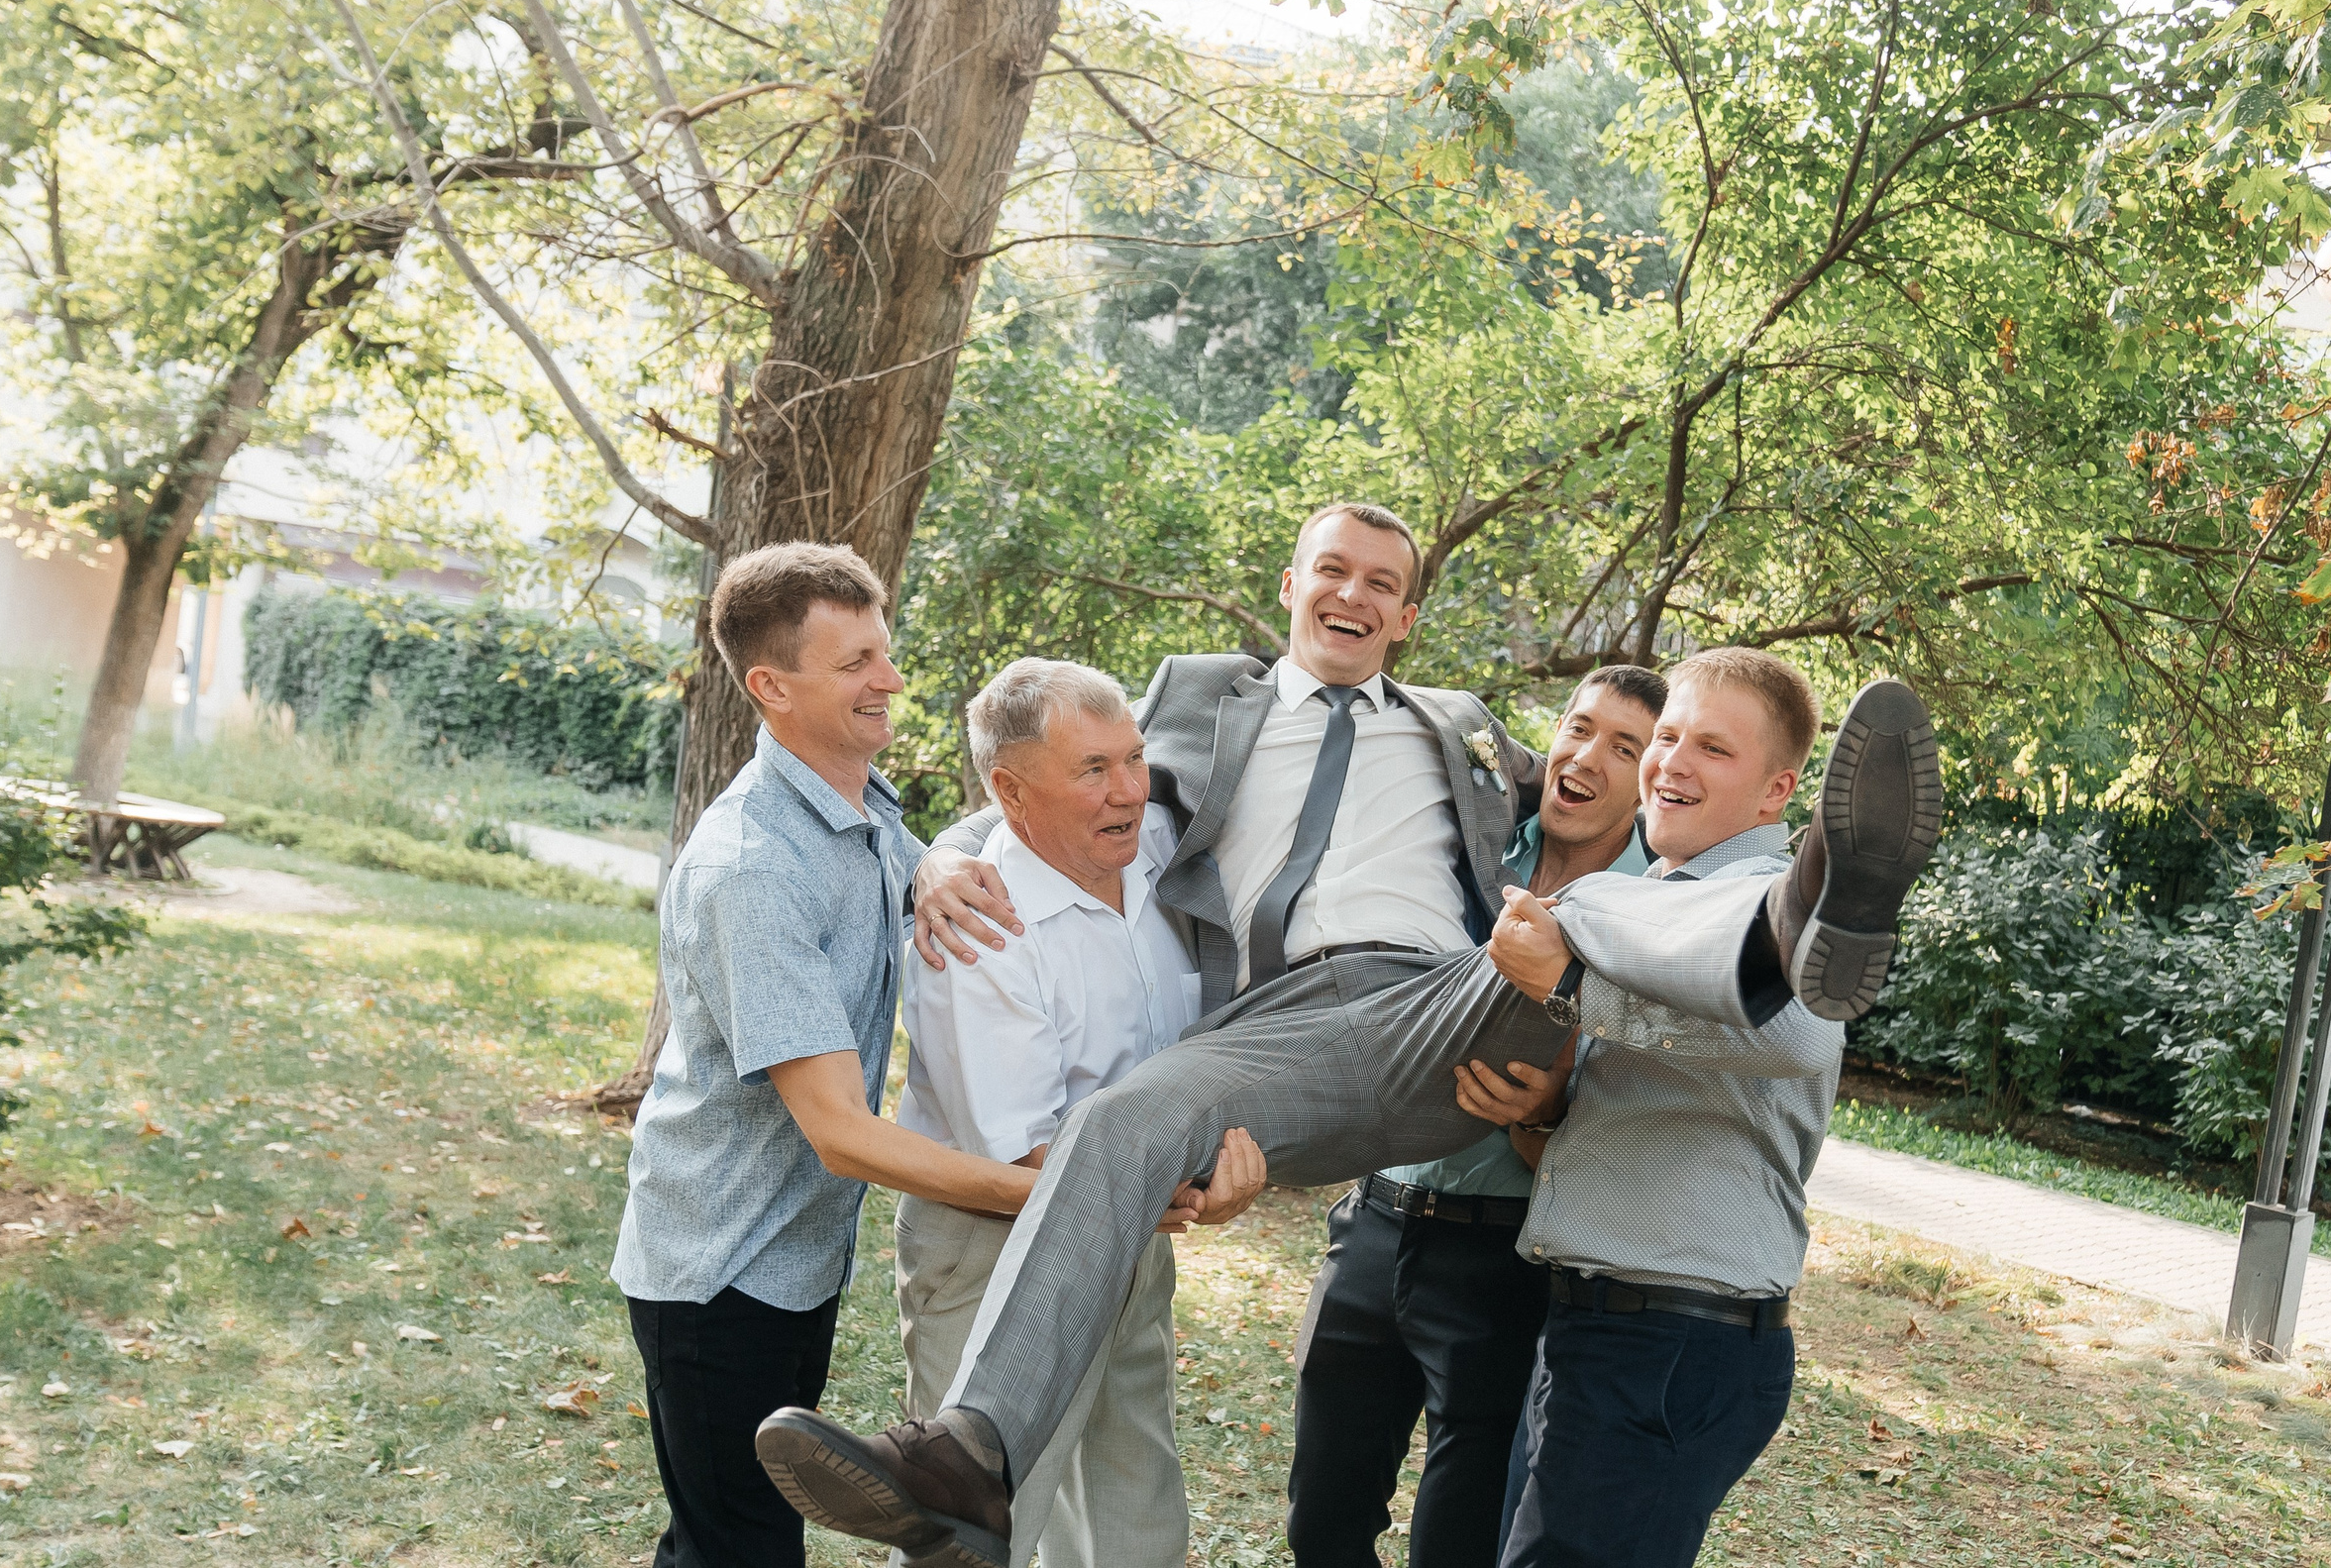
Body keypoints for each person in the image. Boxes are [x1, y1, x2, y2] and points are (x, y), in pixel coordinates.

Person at [751, 536, 1943, 1568]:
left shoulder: (1459, 729)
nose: (1355, 594)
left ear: (1407, 618)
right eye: (1334, 569)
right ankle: (968, 1458)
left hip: (1440, 1003)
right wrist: (937, 854)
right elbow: (1054, 779)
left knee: (1559, 911)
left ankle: (1788, 920)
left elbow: (1591, 819)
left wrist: (1569, 975)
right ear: (1293, 586)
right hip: (1278, 1034)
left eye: (1385, 582)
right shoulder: (1198, 698)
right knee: (1124, 1115)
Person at [608, 543, 1237, 1568]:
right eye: (855, 661)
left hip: (795, 1258)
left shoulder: (862, 812)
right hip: (716, 1266)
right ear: (771, 685)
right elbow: (841, 1134)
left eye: (884, 652)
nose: (890, 681)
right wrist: (1077, 1192)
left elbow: (989, 826)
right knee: (734, 1550)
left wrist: (940, 857)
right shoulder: (752, 868)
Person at [1475, 648, 1937, 1568]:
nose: (1673, 762)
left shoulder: (1712, 900)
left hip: (1669, 1338)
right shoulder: (1657, 903)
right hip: (1600, 1330)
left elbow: (1798, 1040)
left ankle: (1789, 911)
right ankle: (1776, 913)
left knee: (1614, 909)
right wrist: (1545, 1110)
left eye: (1713, 750)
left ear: (1777, 792)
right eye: (1670, 737)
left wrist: (1574, 981)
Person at [1286, 665, 1663, 1568]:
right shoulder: (1468, 840)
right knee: (1321, 1523)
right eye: (1580, 729)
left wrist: (1552, 1108)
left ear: (1654, 779)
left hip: (1509, 1257)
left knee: (1457, 1541)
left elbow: (1657, 1087)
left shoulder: (1654, 912)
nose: (1589, 757)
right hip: (1374, 1223)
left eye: (1627, 747)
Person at [894, 658, 1266, 1568]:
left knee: (1136, 1507)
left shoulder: (1162, 855)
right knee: (979, 1527)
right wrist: (1165, 1193)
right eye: (1093, 770)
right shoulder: (977, 925)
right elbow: (1020, 1159)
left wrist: (1209, 1179)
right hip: (992, 1244)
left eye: (1134, 759)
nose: (1131, 791)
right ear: (1010, 791)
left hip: (1131, 1233)